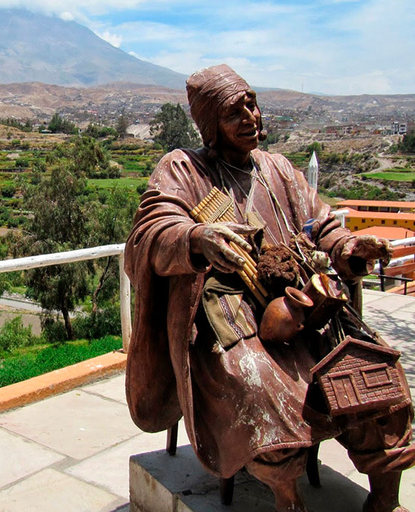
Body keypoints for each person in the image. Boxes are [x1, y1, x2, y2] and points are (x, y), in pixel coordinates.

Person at [124, 64, 414, 512]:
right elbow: (148, 235)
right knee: (260, 385)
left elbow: (323, 226)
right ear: (211, 126)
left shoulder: (278, 169)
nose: (251, 118)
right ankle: (286, 495)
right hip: (228, 323)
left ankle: (384, 498)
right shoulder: (182, 169)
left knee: (372, 364)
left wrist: (351, 247)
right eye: (234, 112)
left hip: (303, 312)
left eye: (252, 105)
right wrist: (196, 238)